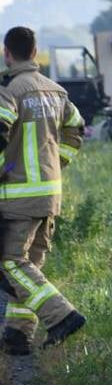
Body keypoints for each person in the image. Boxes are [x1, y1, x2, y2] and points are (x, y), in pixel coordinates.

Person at [0, 27, 86, 355]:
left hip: (17, 196)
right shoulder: (56, 91)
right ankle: (18, 336)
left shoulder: (10, 89)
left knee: (10, 262)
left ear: (8, 53)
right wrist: (56, 165)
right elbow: (76, 131)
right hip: (49, 194)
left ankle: (61, 316)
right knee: (30, 264)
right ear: (35, 52)